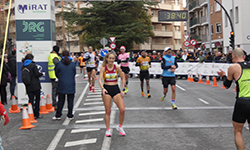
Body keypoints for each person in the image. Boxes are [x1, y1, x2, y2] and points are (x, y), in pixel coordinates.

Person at [217, 48, 250, 150]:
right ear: (244, 57)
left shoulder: (233, 67)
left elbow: (227, 85)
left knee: (238, 131)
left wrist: (223, 76)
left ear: (233, 56)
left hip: (242, 101)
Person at [98, 51, 126, 137]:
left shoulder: (117, 67)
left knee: (122, 109)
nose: (111, 60)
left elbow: (123, 77)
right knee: (108, 111)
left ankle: (120, 126)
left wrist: (123, 89)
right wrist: (102, 88)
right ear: (106, 59)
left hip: (116, 89)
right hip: (107, 89)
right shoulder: (103, 68)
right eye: (110, 58)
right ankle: (108, 129)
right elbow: (99, 80)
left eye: (113, 58)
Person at [53, 50, 76, 120]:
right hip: (71, 84)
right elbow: (74, 73)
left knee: (61, 100)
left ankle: (58, 115)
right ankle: (70, 115)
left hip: (62, 83)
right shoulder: (72, 64)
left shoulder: (59, 64)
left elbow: (56, 73)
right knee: (70, 100)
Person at [22, 54, 44, 119]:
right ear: (31, 59)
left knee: (30, 100)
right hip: (35, 85)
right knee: (37, 100)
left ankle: (30, 113)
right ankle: (36, 113)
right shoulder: (33, 65)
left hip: (28, 85)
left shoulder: (23, 66)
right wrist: (41, 74)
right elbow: (36, 74)